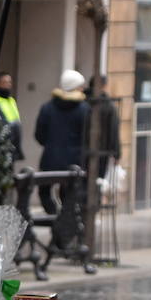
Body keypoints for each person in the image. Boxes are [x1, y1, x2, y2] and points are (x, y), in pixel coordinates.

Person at [33, 69, 89, 215]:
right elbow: (88, 137)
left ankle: (52, 215)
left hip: (50, 158)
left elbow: (39, 135)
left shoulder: (47, 107)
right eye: (81, 86)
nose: (83, 89)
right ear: (75, 87)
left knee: (44, 191)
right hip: (75, 161)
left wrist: (51, 144)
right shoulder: (84, 110)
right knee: (70, 193)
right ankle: (65, 219)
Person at [0, 71, 24, 162]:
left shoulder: (11, 100)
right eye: (5, 82)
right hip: (0, 145)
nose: (8, 85)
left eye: (9, 82)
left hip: (13, 144)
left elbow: (17, 121)